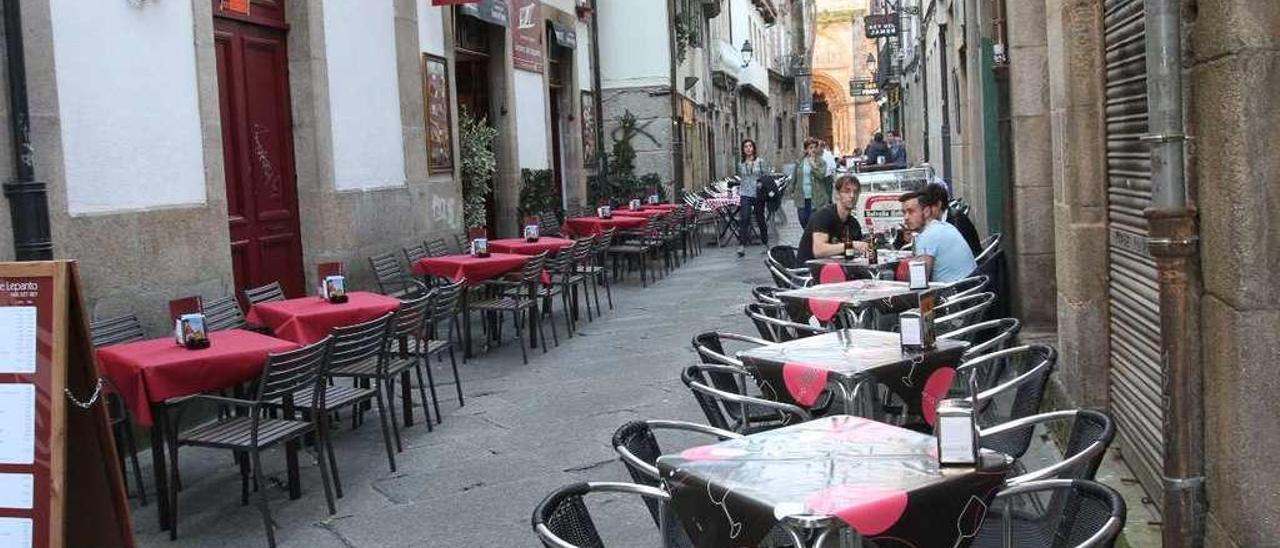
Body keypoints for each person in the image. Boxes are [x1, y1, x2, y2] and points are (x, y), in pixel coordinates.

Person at [899, 184, 977, 283]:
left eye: (911, 212)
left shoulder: (928, 236)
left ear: (926, 212)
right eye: (904, 212)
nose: (906, 217)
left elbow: (917, 282)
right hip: (970, 290)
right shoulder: (945, 226)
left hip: (954, 294)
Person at [797, 174, 867, 262]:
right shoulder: (823, 215)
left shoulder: (853, 223)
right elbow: (819, 250)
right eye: (847, 191)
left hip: (838, 268)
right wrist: (851, 245)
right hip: (809, 270)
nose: (852, 196)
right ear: (837, 194)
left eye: (856, 192)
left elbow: (859, 250)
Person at [736, 139, 770, 257]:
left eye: (750, 146)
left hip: (758, 194)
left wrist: (761, 183)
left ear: (754, 148)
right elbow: (741, 177)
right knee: (744, 218)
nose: (748, 148)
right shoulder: (740, 164)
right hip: (745, 193)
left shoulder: (760, 162)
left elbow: (766, 176)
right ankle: (741, 245)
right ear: (743, 149)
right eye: (745, 146)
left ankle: (765, 243)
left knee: (760, 218)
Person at [791, 137, 832, 229]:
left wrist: (813, 166)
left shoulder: (821, 162)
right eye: (810, 147)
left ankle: (812, 240)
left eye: (814, 147)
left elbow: (821, 175)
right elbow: (795, 176)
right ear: (806, 149)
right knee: (802, 219)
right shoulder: (800, 161)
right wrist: (792, 190)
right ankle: (808, 236)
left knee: (813, 220)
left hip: (815, 196)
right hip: (801, 196)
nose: (813, 150)